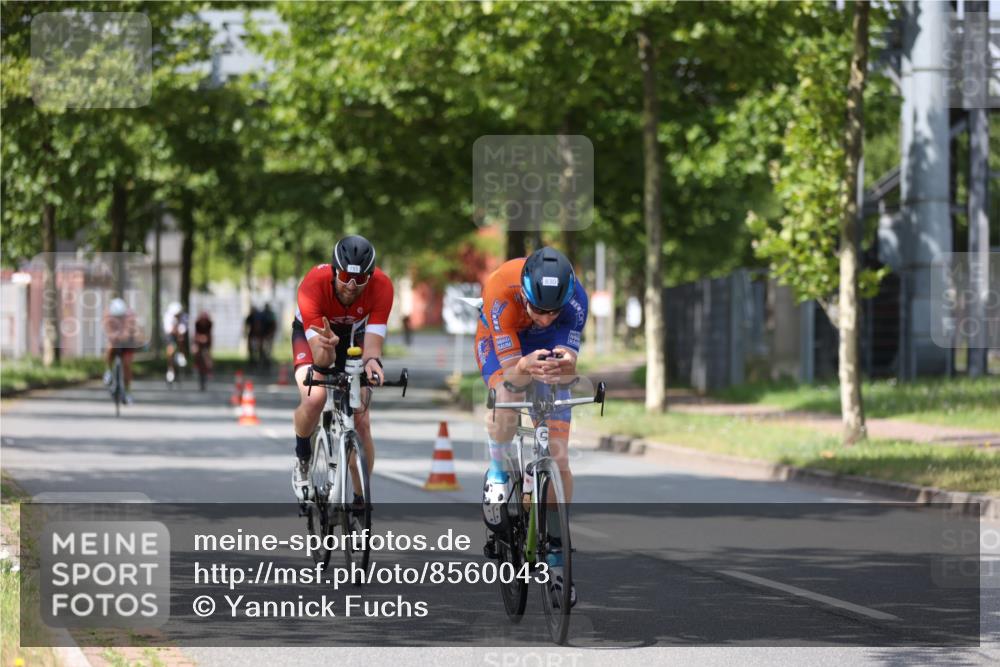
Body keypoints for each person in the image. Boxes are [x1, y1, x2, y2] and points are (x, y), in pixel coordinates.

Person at [474, 246, 588, 608]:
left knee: (560, 456)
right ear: (524, 294)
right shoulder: (500, 290)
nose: (544, 318)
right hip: (503, 344)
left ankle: (556, 557)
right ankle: (497, 473)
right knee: (509, 394)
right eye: (538, 309)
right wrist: (524, 366)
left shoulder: (575, 304)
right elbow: (512, 372)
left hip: (547, 352)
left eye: (552, 311)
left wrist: (565, 364)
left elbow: (569, 369)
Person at [290, 235, 393, 505]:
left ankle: (360, 500)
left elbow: (373, 347)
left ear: (371, 277)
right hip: (315, 334)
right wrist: (328, 348)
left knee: (362, 420)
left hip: (353, 337)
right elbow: (322, 361)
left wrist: (373, 365)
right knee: (315, 398)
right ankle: (303, 457)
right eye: (346, 276)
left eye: (360, 280)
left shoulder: (382, 286)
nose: (351, 285)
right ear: (335, 270)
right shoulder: (312, 285)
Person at [103, 297, 141, 404]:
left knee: (127, 364)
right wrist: (113, 336)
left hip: (128, 341)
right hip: (115, 339)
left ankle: (128, 391)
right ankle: (108, 370)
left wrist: (124, 335)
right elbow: (107, 330)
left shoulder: (130, 316)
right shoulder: (107, 314)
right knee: (110, 348)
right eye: (116, 317)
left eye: (120, 317)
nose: (118, 319)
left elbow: (130, 331)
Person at [165, 304, 189, 383]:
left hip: (179, 336)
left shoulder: (184, 317)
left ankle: (181, 354)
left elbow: (183, 331)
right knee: (170, 350)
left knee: (181, 338)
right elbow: (169, 331)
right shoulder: (168, 317)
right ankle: (170, 369)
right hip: (170, 335)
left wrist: (178, 331)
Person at [193, 310, 214, 388]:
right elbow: (195, 335)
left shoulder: (209, 324)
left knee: (207, 354)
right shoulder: (197, 324)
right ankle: (196, 365)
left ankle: (209, 368)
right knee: (196, 351)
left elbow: (210, 335)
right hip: (199, 340)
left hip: (207, 341)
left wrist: (207, 340)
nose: (203, 322)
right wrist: (199, 339)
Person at [260, 303, 277, 371]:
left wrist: (271, 334)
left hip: (268, 334)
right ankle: (264, 362)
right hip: (264, 335)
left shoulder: (271, 314)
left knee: (268, 350)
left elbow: (274, 324)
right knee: (264, 349)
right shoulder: (263, 314)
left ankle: (267, 362)